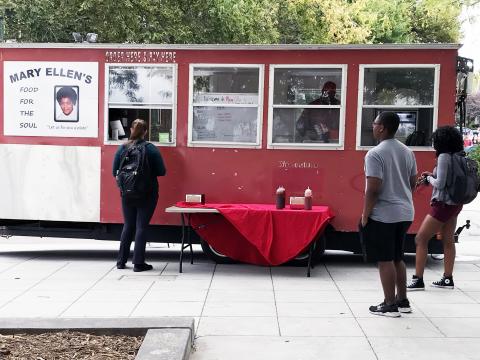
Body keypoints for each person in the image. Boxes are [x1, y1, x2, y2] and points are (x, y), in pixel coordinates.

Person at [361, 111, 417, 317]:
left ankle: (389, 304)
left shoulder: (375, 153)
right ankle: (403, 301)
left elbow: (373, 189)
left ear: (382, 127)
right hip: (405, 212)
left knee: (384, 259)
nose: (373, 127)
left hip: (384, 214)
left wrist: (365, 214)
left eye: (375, 123)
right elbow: (412, 183)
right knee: (397, 257)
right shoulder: (407, 151)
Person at [407, 126, 464, 290]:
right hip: (455, 204)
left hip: (442, 205)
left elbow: (440, 183)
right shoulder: (458, 156)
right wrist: (433, 176)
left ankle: (418, 279)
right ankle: (447, 279)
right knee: (448, 240)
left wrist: (430, 179)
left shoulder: (444, 157)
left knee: (421, 238)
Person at [112, 119, 166, 272]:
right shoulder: (151, 149)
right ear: (146, 132)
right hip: (147, 193)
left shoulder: (122, 148)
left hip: (127, 193)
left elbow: (114, 172)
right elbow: (162, 171)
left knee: (128, 225)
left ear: (131, 130)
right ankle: (138, 263)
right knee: (141, 226)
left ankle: (121, 262)